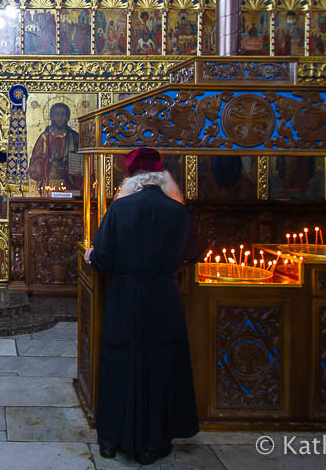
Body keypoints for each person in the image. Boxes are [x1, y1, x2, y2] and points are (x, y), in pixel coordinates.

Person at [83, 147, 198, 464]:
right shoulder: (179, 211)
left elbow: (103, 259)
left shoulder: (121, 209)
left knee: (120, 363)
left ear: (131, 178)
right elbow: (192, 254)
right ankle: (152, 444)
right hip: (163, 298)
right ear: (162, 177)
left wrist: (91, 256)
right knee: (159, 366)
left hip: (125, 296)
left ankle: (111, 438)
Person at [29, 102, 82, 191]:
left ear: (67, 117)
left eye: (63, 115)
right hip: (49, 184)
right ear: (52, 117)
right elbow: (34, 163)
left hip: (70, 184)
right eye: (56, 115)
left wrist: (68, 165)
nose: (60, 118)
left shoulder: (75, 138)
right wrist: (49, 162)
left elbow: (82, 163)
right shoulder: (44, 138)